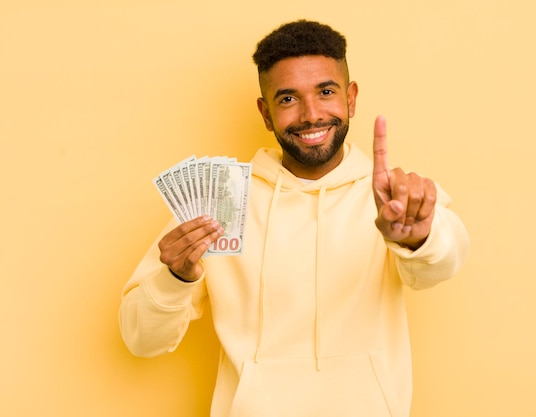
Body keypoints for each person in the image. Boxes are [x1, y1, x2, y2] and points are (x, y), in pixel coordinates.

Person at [119, 19, 470, 417]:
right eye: (287, 99)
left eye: (325, 91)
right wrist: (174, 279)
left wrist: (417, 238)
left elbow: (446, 260)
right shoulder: (218, 201)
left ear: (351, 98)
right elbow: (139, 340)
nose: (311, 114)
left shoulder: (393, 199)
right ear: (265, 113)